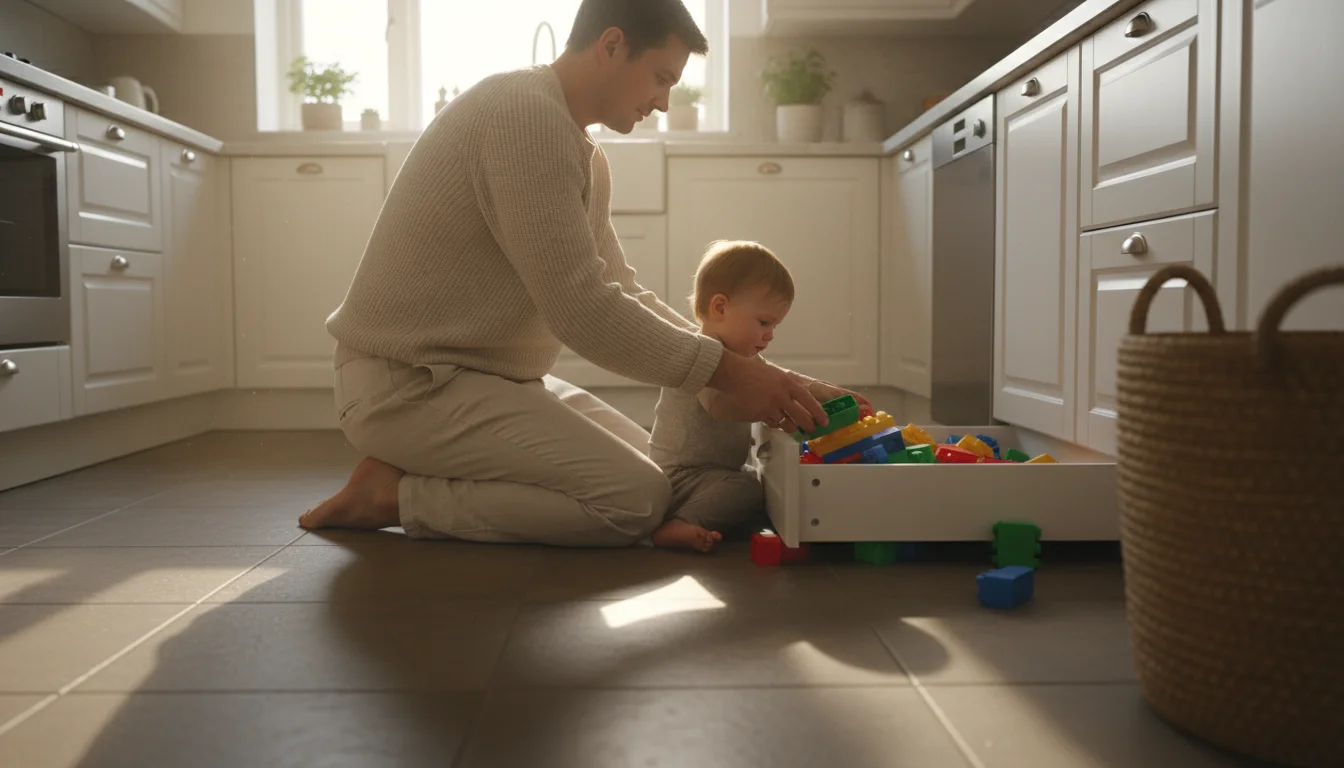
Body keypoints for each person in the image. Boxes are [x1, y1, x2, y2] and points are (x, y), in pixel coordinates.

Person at [299, 0, 860, 547]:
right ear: (611, 45)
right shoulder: (525, 116)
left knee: (657, 481)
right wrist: (735, 375)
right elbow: (582, 310)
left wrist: (777, 380)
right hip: (407, 385)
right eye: (660, 78)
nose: (663, 103)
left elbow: (622, 289)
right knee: (635, 499)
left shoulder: (577, 144)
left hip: (478, 379)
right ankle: (394, 498)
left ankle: (409, 478)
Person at [649, 241, 840, 553]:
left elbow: (783, 380)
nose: (770, 335)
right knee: (748, 487)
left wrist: (825, 391)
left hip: (713, 473)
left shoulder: (745, 359)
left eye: (775, 326)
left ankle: (710, 516)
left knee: (754, 482)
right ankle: (681, 523)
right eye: (764, 322)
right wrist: (772, 410)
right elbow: (720, 405)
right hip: (681, 477)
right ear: (720, 308)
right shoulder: (701, 354)